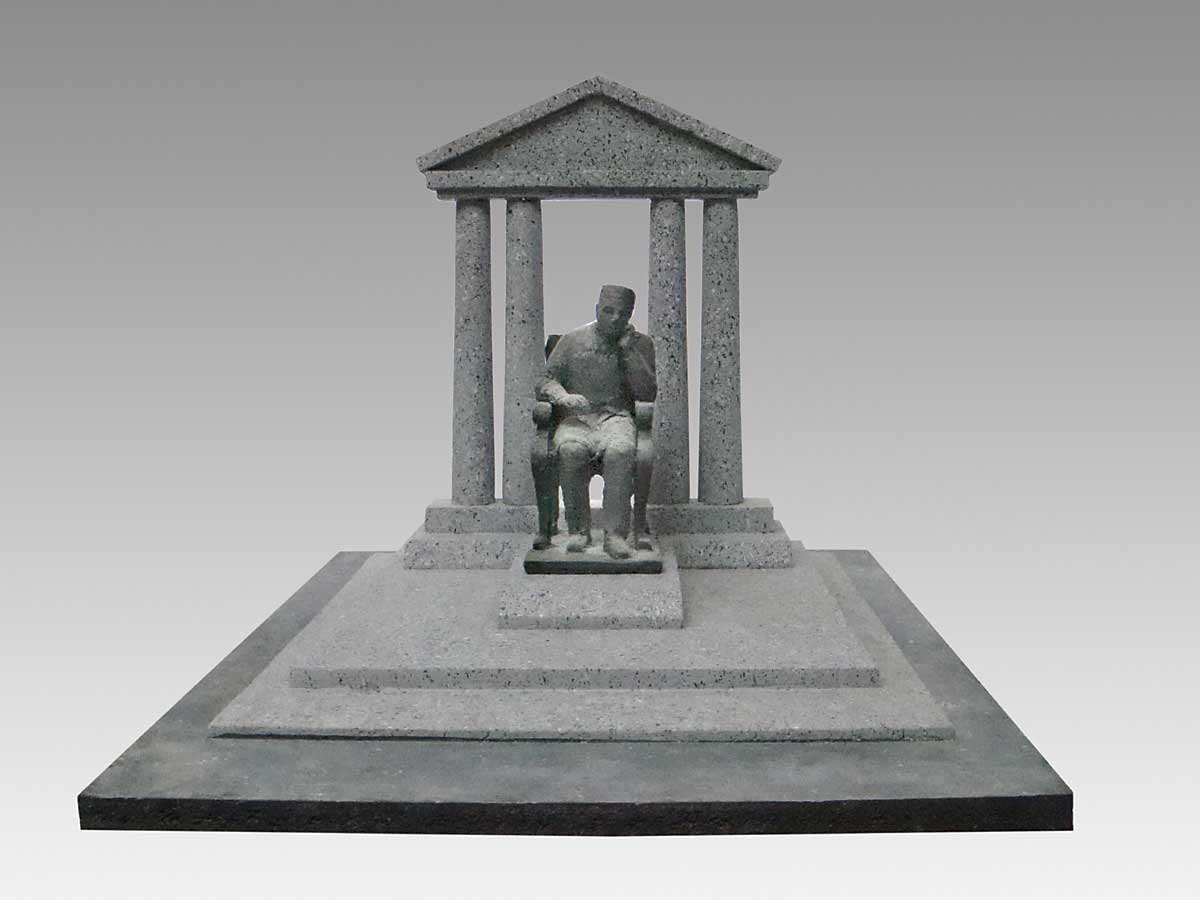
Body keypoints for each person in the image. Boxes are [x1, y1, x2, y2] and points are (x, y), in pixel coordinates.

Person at [537, 284, 656, 559]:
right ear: (596, 310)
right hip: (577, 419)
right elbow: (545, 380)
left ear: (630, 316)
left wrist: (628, 353)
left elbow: (647, 393)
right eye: (608, 311)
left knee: (621, 451)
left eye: (622, 314)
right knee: (571, 451)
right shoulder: (572, 341)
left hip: (616, 417)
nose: (614, 318)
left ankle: (615, 535)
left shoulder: (640, 345)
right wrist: (563, 397)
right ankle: (579, 530)